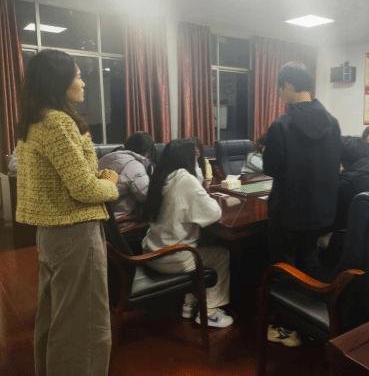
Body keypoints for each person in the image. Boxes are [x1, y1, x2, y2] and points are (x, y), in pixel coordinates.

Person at [15, 49, 119, 375]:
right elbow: (85, 189)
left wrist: (85, 148)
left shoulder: (33, 122)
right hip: (75, 231)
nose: (83, 83)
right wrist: (111, 184)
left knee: (54, 319)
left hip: (50, 234)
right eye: (78, 76)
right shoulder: (58, 121)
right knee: (83, 328)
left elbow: (65, 180)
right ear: (59, 82)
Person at [141, 139, 233, 328]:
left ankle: (189, 302)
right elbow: (214, 213)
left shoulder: (160, 176)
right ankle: (209, 312)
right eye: (195, 156)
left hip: (151, 252)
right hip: (172, 258)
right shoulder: (184, 179)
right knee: (221, 255)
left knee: (199, 245)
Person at [263, 61, 341, 270]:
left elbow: (270, 169)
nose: (280, 94)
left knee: (283, 268)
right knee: (309, 261)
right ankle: (311, 291)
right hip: (320, 212)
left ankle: (284, 292)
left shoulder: (281, 125)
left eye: (280, 89)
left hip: (287, 214)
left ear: (289, 85)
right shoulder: (333, 123)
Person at [98, 131, 154, 219]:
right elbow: (146, 196)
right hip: (119, 220)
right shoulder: (135, 166)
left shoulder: (105, 158)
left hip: (99, 217)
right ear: (147, 152)